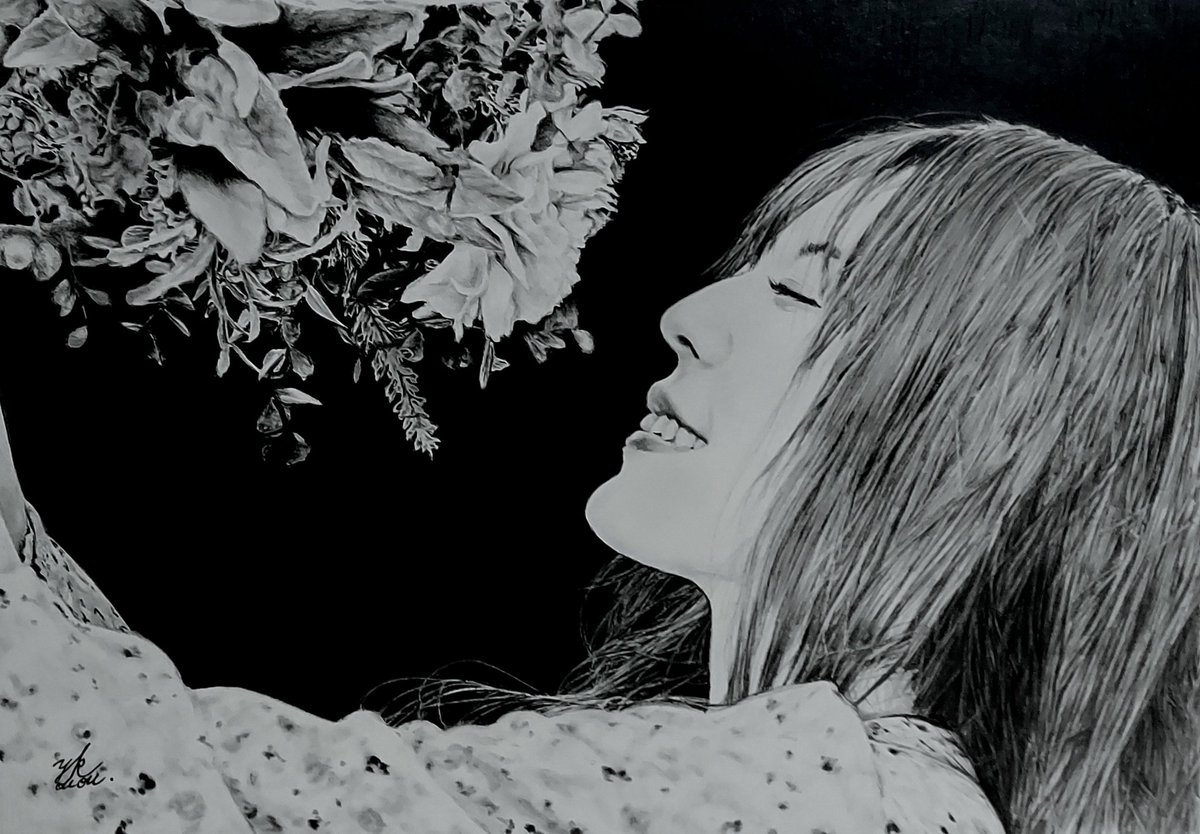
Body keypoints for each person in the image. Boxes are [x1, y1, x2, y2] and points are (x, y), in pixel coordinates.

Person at [2, 117, 1197, 834]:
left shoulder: (807, 793)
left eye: (801, 292)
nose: (687, 317)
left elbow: (107, 789)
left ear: (990, 444)